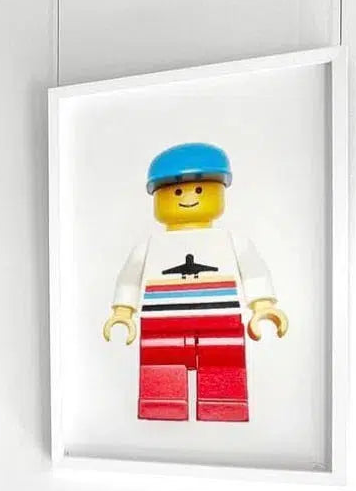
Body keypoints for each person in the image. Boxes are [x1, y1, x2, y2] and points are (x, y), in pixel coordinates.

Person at [103, 142, 288, 422]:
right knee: (160, 367)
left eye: (200, 189)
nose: (188, 196)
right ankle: (163, 403)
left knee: (224, 363)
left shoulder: (231, 241)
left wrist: (262, 305)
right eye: (177, 191)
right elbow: (129, 278)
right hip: (161, 325)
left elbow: (254, 271)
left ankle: (224, 404)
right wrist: (122, 311)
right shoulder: (150, 246)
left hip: (221, 321)